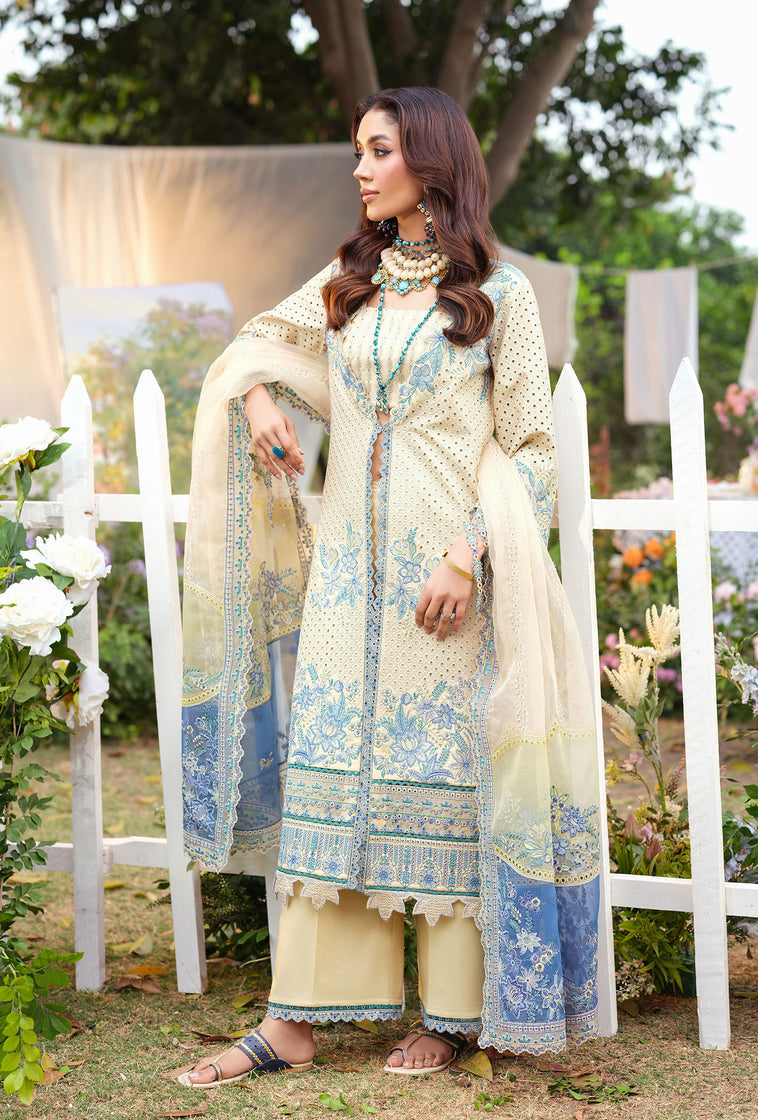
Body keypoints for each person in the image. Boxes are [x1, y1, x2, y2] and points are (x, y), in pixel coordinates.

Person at [177, 87, 600, 1089]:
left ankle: (451, 1017)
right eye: (358, 152)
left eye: (376, 152)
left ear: (428, 161)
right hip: (346, 583)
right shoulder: (349, 279)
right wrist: (255, 396)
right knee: (335, 781)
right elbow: (252, 345)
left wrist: (465, 553)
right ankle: (294, 1020)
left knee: (442, 790)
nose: (359, 171)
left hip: (445, 579)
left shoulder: (502, 291)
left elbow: (532, 447)